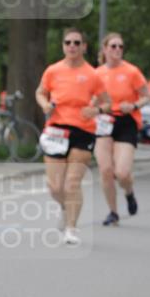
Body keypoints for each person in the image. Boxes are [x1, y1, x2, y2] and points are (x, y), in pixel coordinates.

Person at [35, 28, 109, 246]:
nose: (72, 46)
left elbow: (107, 102)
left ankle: (71, 228)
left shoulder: (93, 74)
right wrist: (45, 104)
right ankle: (67, 207)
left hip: (83, 130)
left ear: (84, 47)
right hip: (57, 129)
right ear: (63, 45)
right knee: (55, 186)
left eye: (77, 42)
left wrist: (97, 111)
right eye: (68, 42)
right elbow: (40, 92)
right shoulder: (53, 70)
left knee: (72, 183)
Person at [94, 33, 150, 226]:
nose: (117, 49)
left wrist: (134, 106)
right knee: (105, 170)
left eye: (120, 46)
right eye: (113, 46)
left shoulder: (131, 71)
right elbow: (92, 98)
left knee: (122, 172)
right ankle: (113, 212)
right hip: (103, 121)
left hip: (126, 121)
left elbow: (147, 96)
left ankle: (129, 192)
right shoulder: (97, 73)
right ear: (105, 50)